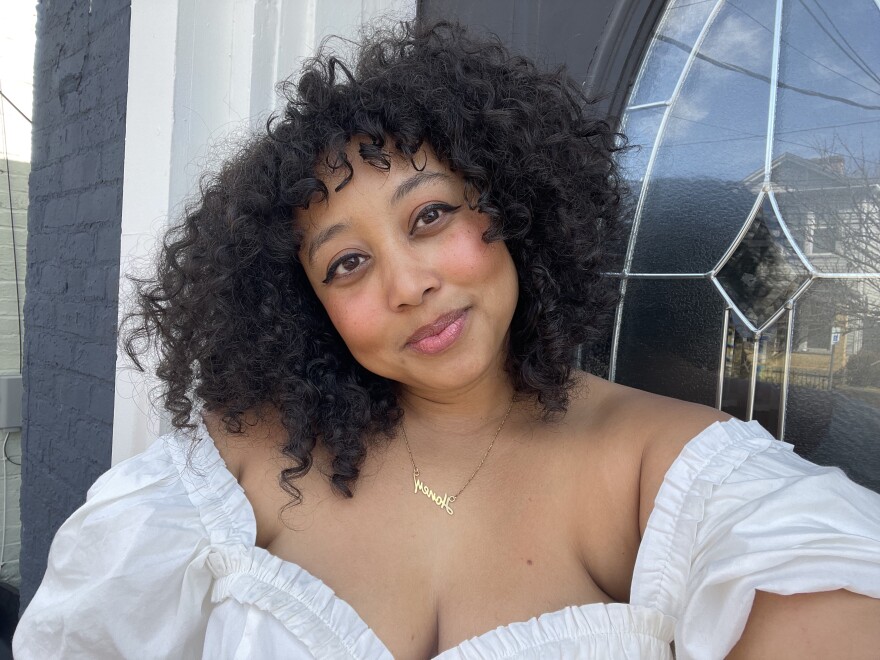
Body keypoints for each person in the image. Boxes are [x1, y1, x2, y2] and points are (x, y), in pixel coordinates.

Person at [13, 21, 880, 660]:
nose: (407, 285)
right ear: (305, 305)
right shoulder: (228, 476)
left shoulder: (673, 474)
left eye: (430, 215)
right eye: (347, 264)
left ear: (509, 204)